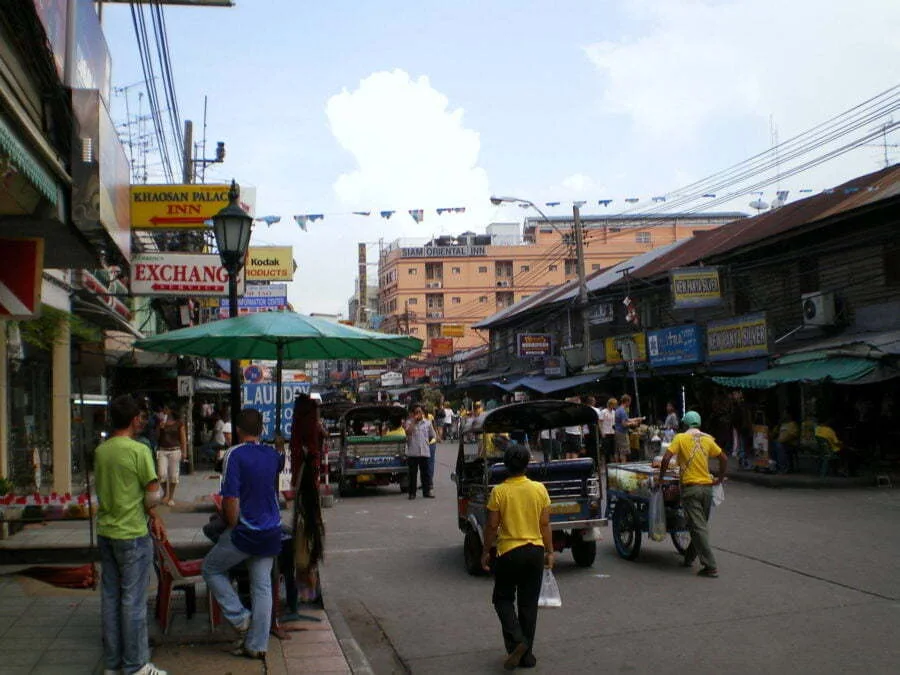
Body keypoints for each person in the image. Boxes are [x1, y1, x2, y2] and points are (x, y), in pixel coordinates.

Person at [94, 394, 167, 675]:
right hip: (133, 533)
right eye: (142, 416)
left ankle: (113, 664)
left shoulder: (102, 450)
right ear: (135, 418)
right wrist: (154, 510)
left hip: (106, 531)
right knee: (133, 602)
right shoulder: (138, 451)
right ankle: (136, 664)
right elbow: (153, 495)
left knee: (111, 598)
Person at [203, 408, 284, 660]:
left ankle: (240, 618)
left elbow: (230, 498)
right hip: (271, 530)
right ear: (261, 430)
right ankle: (257, 645)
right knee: (262, 586)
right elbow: (278, 465)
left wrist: (231, 523)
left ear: (237, 429)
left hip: (245, 530)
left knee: (211, 569)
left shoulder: (233, 455)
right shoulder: (272, 455)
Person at [481, 443, 552, 670]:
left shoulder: (499, 491)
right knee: (528, 604)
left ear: (505, 465)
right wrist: (550, 552)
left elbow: (492, 526)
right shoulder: (539, 489)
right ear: (528, 464)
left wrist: (485, 552)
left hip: (509, 552)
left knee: (502, 599)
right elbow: (545, 524)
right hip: (535, 551)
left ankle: (517, 642)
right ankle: (526, 656)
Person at [658, 411, 727, 578]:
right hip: (707, 489)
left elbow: (666, 458)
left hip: (691, 489)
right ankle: (688, 558)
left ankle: (710, 566)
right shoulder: (707, 439)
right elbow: (723, 458)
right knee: (699, 525)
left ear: (685, 424)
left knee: (698, 526)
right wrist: (719, 478)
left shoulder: (680, 438)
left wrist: (661, 478)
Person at [404, 405, 436, 499]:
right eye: (416, 412)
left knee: (425, 473)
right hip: (413, 452)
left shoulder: (427, 423)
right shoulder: (409, 422)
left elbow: (432, 435)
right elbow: (408, 432)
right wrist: (414, 421)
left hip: (424, 451)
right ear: (413, 414)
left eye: (420, 412)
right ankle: (412, 493)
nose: (419, 414)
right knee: (412, 474)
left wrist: (426, 443)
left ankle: (426, 492)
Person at [156, 405, 186, 506]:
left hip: (175, 450)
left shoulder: (179, 423)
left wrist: (184, 451)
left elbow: (183, 438)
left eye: (166, 409)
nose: (164, 411)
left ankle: (171, 496)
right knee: (161, 474)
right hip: (162, 450)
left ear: (170, 410)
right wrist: (160, 428)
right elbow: (157, 437)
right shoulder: (161, 422)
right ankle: (165, 492)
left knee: (173, 475)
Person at [614, 394, 643, 463]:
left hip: (617, 431)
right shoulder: (623, 411)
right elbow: (624, 424)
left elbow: (626, 420)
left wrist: (636, 419)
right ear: (627, 401)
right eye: (629, 402)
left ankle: (618, 467)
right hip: (622, 433)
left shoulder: (618, 409)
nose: (629, 404)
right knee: (623, 452)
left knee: (619, 451)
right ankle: (623, 467)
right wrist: (634, 423)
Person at [598, 398, 617, 464]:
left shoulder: (614, 412)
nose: (615, 406)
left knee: (613, 450)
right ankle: (607, 464)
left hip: (613, 432)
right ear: (610, 404)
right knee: (606, 450)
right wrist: (602, 432)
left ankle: (613, 464)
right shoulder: (603, 412)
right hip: (606, 433)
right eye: (614, 404)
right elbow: (600, 423)